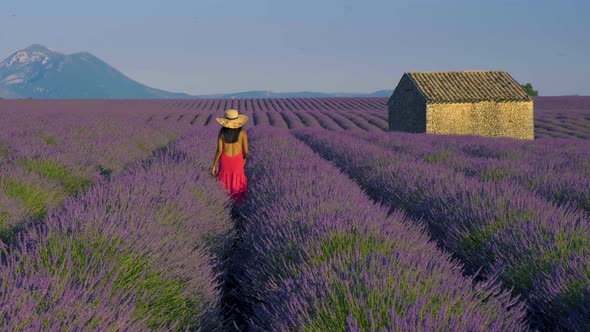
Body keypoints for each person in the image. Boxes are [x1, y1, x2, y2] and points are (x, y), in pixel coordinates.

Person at [211, 109, 249, 206]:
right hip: (237, 160)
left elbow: (219, 150)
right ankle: (239, 205)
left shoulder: (222, 132)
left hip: (225, 159)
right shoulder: (242, 133)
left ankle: (225, 204)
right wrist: (244, 158)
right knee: (238, 180)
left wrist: (214, 165)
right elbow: (246, 151)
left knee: (224, 181)